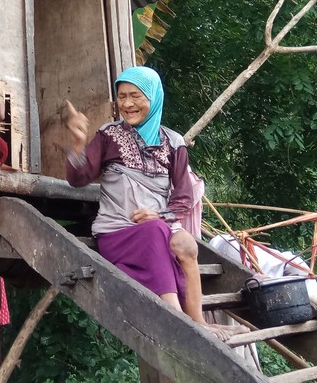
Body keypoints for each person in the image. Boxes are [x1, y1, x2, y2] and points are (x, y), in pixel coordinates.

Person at [64, 65, 246, 341]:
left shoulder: (174, 142)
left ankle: (199, 321)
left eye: (135, 96)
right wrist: (78, 143)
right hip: (117, 233)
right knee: (156, 230)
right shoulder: (108, 135)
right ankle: (177, 316)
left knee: (186, 243)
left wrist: (160, 214)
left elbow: (184, 196)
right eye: (122, 96)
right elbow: (78, 178)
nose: (127, 104)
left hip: (157, 229)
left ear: (153, 97)